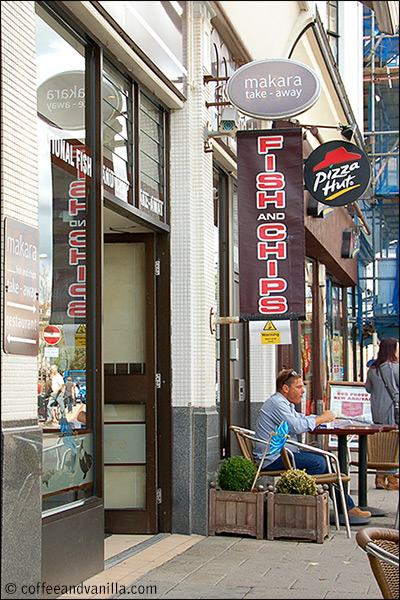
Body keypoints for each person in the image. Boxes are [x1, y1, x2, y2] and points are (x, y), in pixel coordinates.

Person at [254, 368, 371, 519]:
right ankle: (301, 506)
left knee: (325, 460)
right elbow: (296, 426)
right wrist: (321, 418)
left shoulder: (285, 403)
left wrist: (321, 418)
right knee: (319, 463)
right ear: (285, 388)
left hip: (284, 454)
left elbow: (301, 419)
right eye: (299, 387)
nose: (303, 391)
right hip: (273, 457)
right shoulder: (277, 403)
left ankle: (345, 506)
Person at [365, 337, 399, 490]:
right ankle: (392, 479)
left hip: (377, 413)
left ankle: (379, 478)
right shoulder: (395, 368)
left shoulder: (373, 369)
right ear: (392, 350)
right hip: (392, 412)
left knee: (381, 446)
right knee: (394, 446)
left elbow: (368, 388)